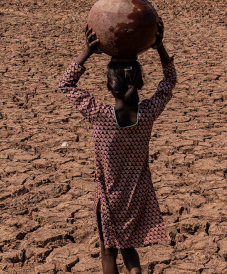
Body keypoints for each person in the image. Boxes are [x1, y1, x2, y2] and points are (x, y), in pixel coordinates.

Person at [57, 20, 176, 274]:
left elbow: (65, 84)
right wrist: (160, 47)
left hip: (109, 197)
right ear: (140, 83)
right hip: (137, 194)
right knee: (129, 247)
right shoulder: (146, 115)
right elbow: (169, 82)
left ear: (110, 86)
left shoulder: (99, 114)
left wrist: (87, 51)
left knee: (108, 251)